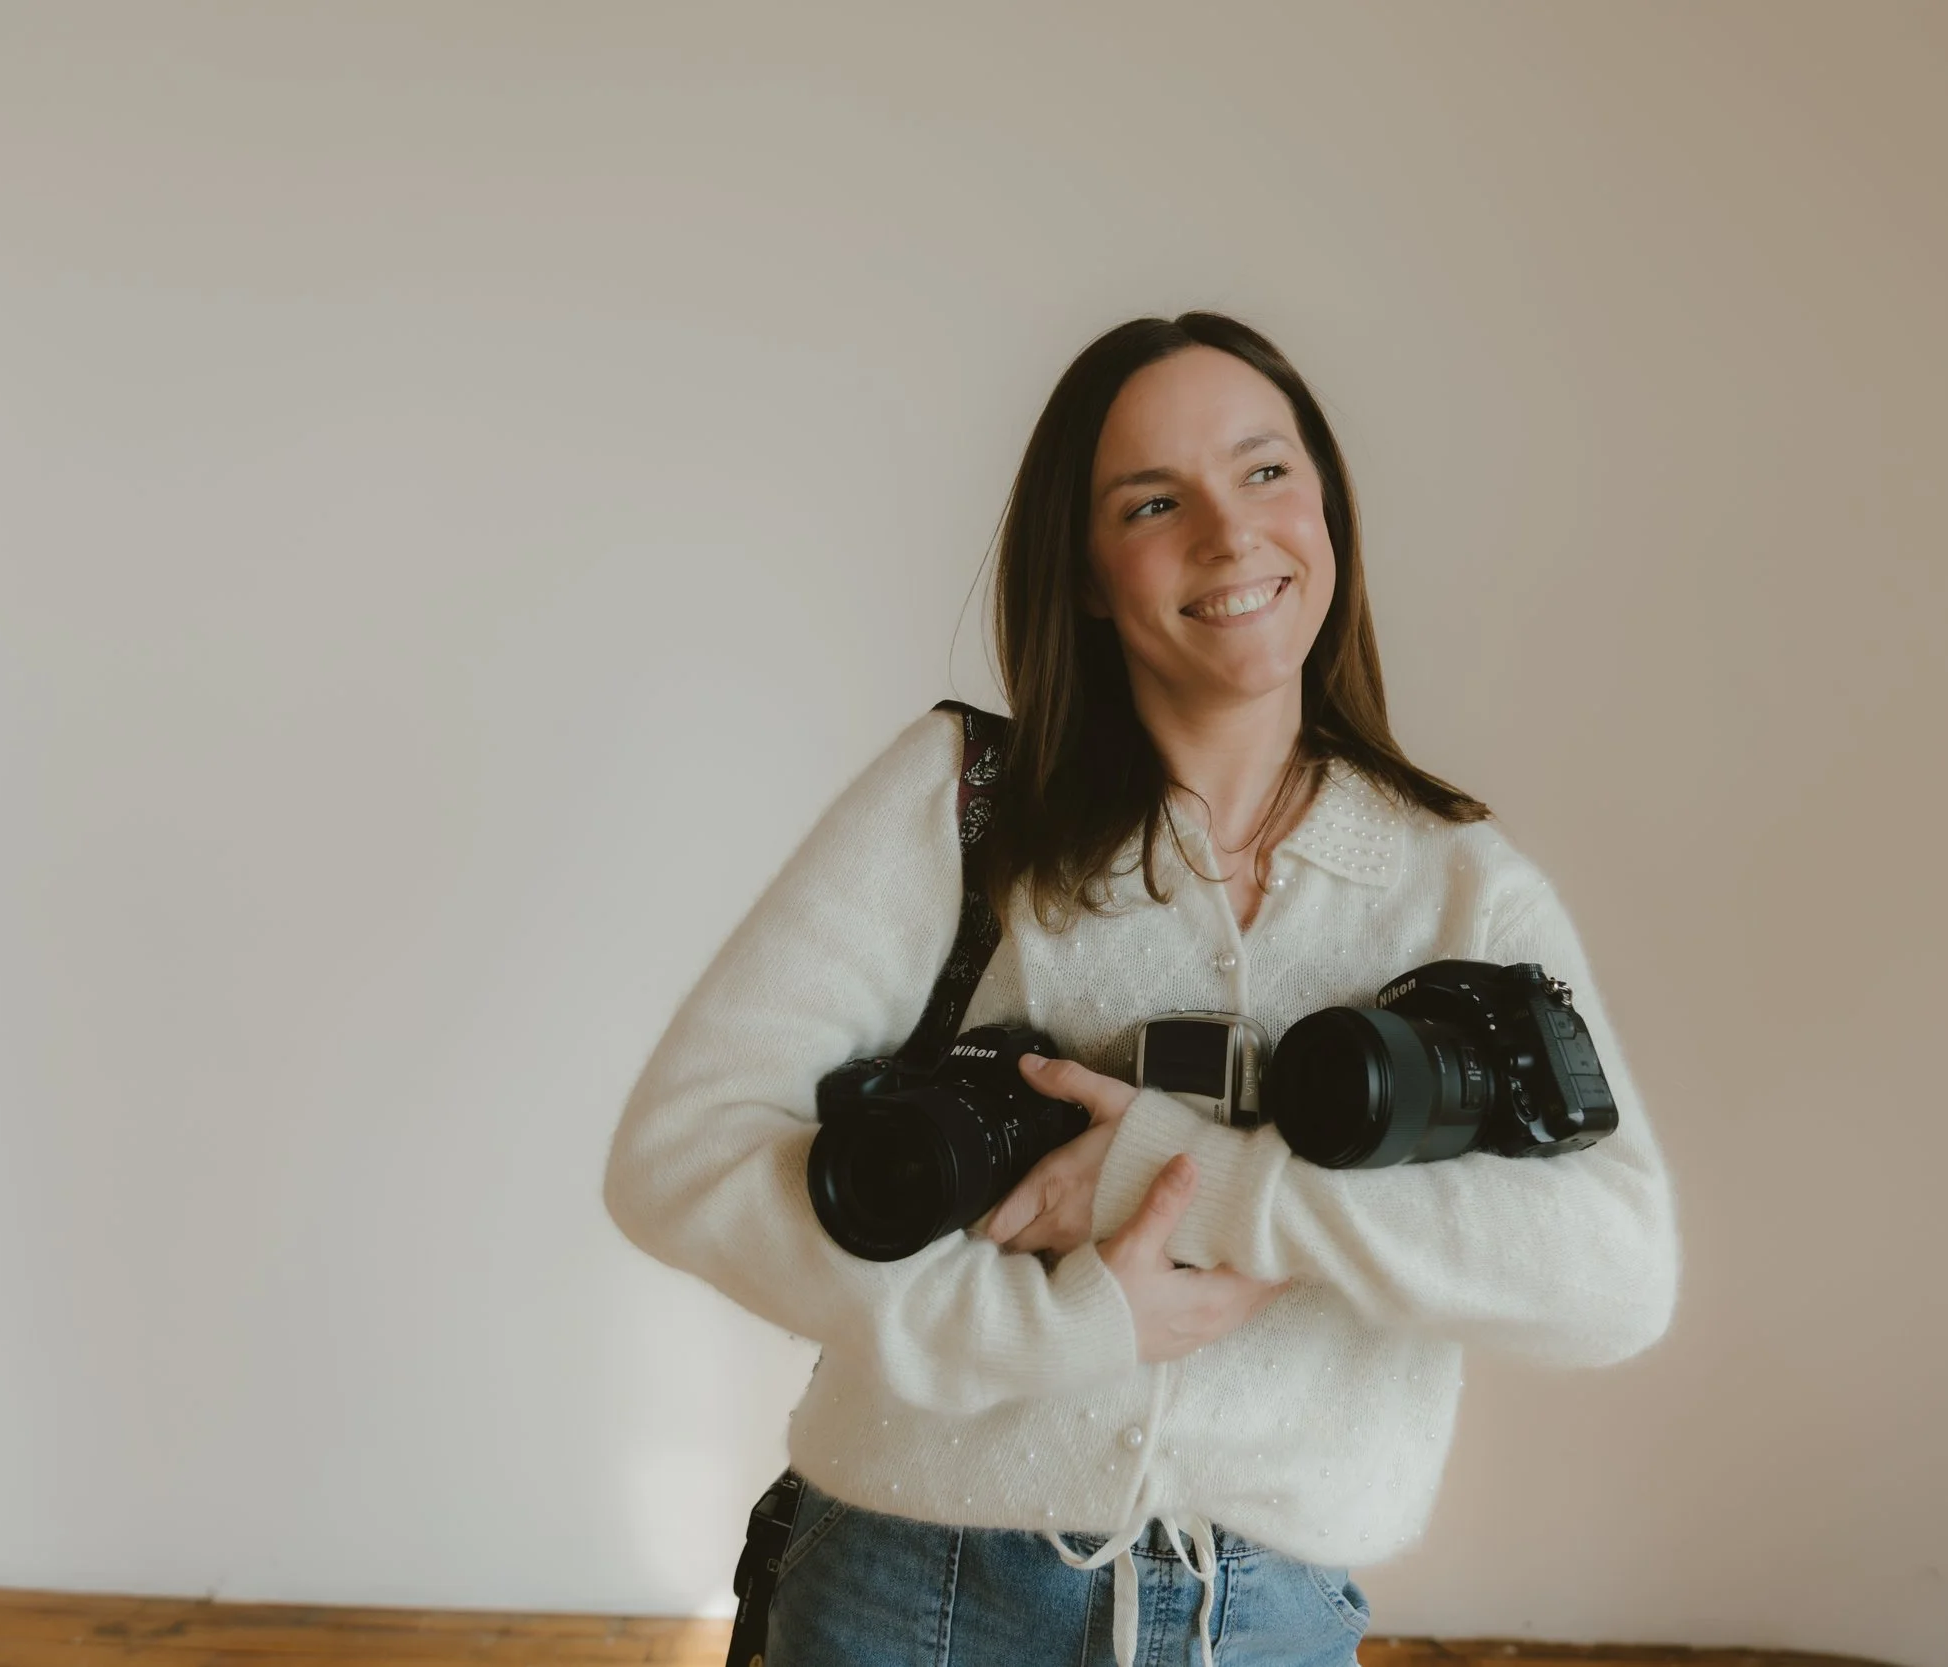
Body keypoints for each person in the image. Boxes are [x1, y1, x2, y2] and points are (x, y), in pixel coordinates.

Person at [602, 312, 1681, 1667]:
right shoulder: (961, 808)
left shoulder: (1458, 884)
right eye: (1155, 501)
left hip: (1265, 1615)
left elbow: (1615, 1273)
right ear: (1090, 576)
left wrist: (1205, 1184)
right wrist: (1049, 1324)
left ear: (1330, 515)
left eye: (1267, 472)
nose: (1231, 536)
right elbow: (681, 1153)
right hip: (911, 1590)